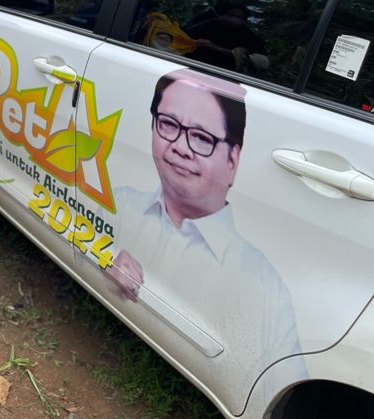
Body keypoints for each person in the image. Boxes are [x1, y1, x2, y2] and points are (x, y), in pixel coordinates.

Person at [104, 68, 303, 398]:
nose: (180, 147)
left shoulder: (267, 290)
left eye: (201, 137)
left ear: (233, 160)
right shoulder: (116, 203)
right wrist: (103, 254)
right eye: (168, 124)